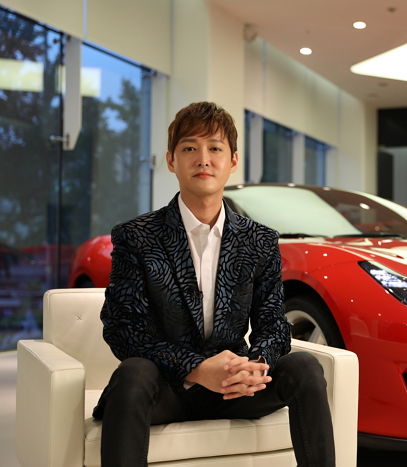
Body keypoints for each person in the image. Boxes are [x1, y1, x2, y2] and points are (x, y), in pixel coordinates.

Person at [93, 102, 335, 467]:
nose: (203, 159)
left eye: (215, 148)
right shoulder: (137, 236)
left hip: (235, 389)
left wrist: (254, 365)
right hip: (167, 387)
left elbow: (273, 325)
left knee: (305, 367)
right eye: (190, 147)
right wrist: (197, 368)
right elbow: (123, 329)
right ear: (171, 160)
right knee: (134, 372)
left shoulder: (259, 240)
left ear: (233, 160)